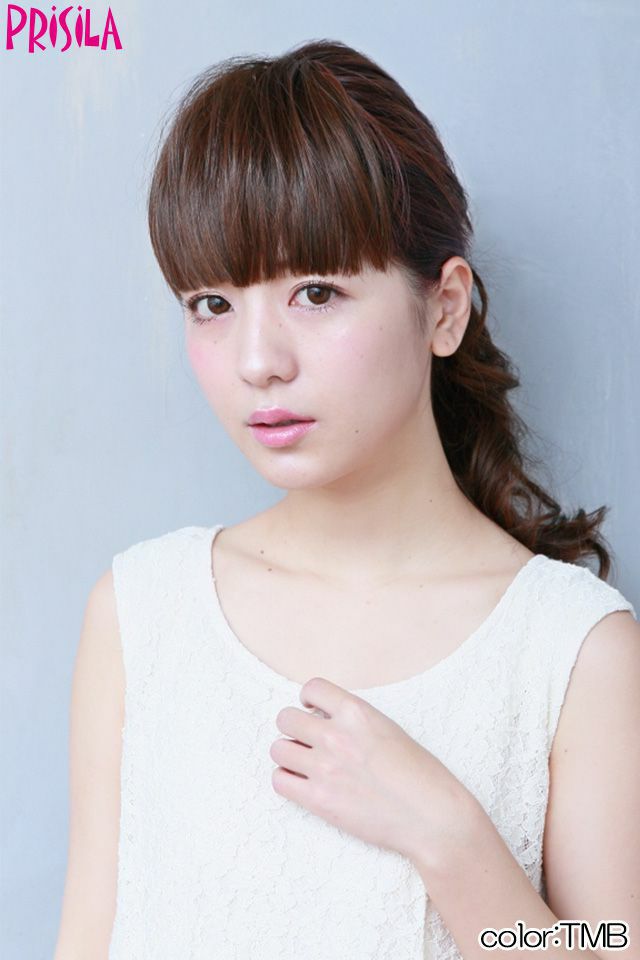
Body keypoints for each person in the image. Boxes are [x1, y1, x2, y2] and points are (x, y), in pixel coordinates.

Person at [54, 39, 639, 960]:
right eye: (212, 304)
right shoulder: (141, 613)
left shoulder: (575, 649)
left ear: (444, 308)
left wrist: (452, 840)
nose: (258, 361)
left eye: (316, 292)